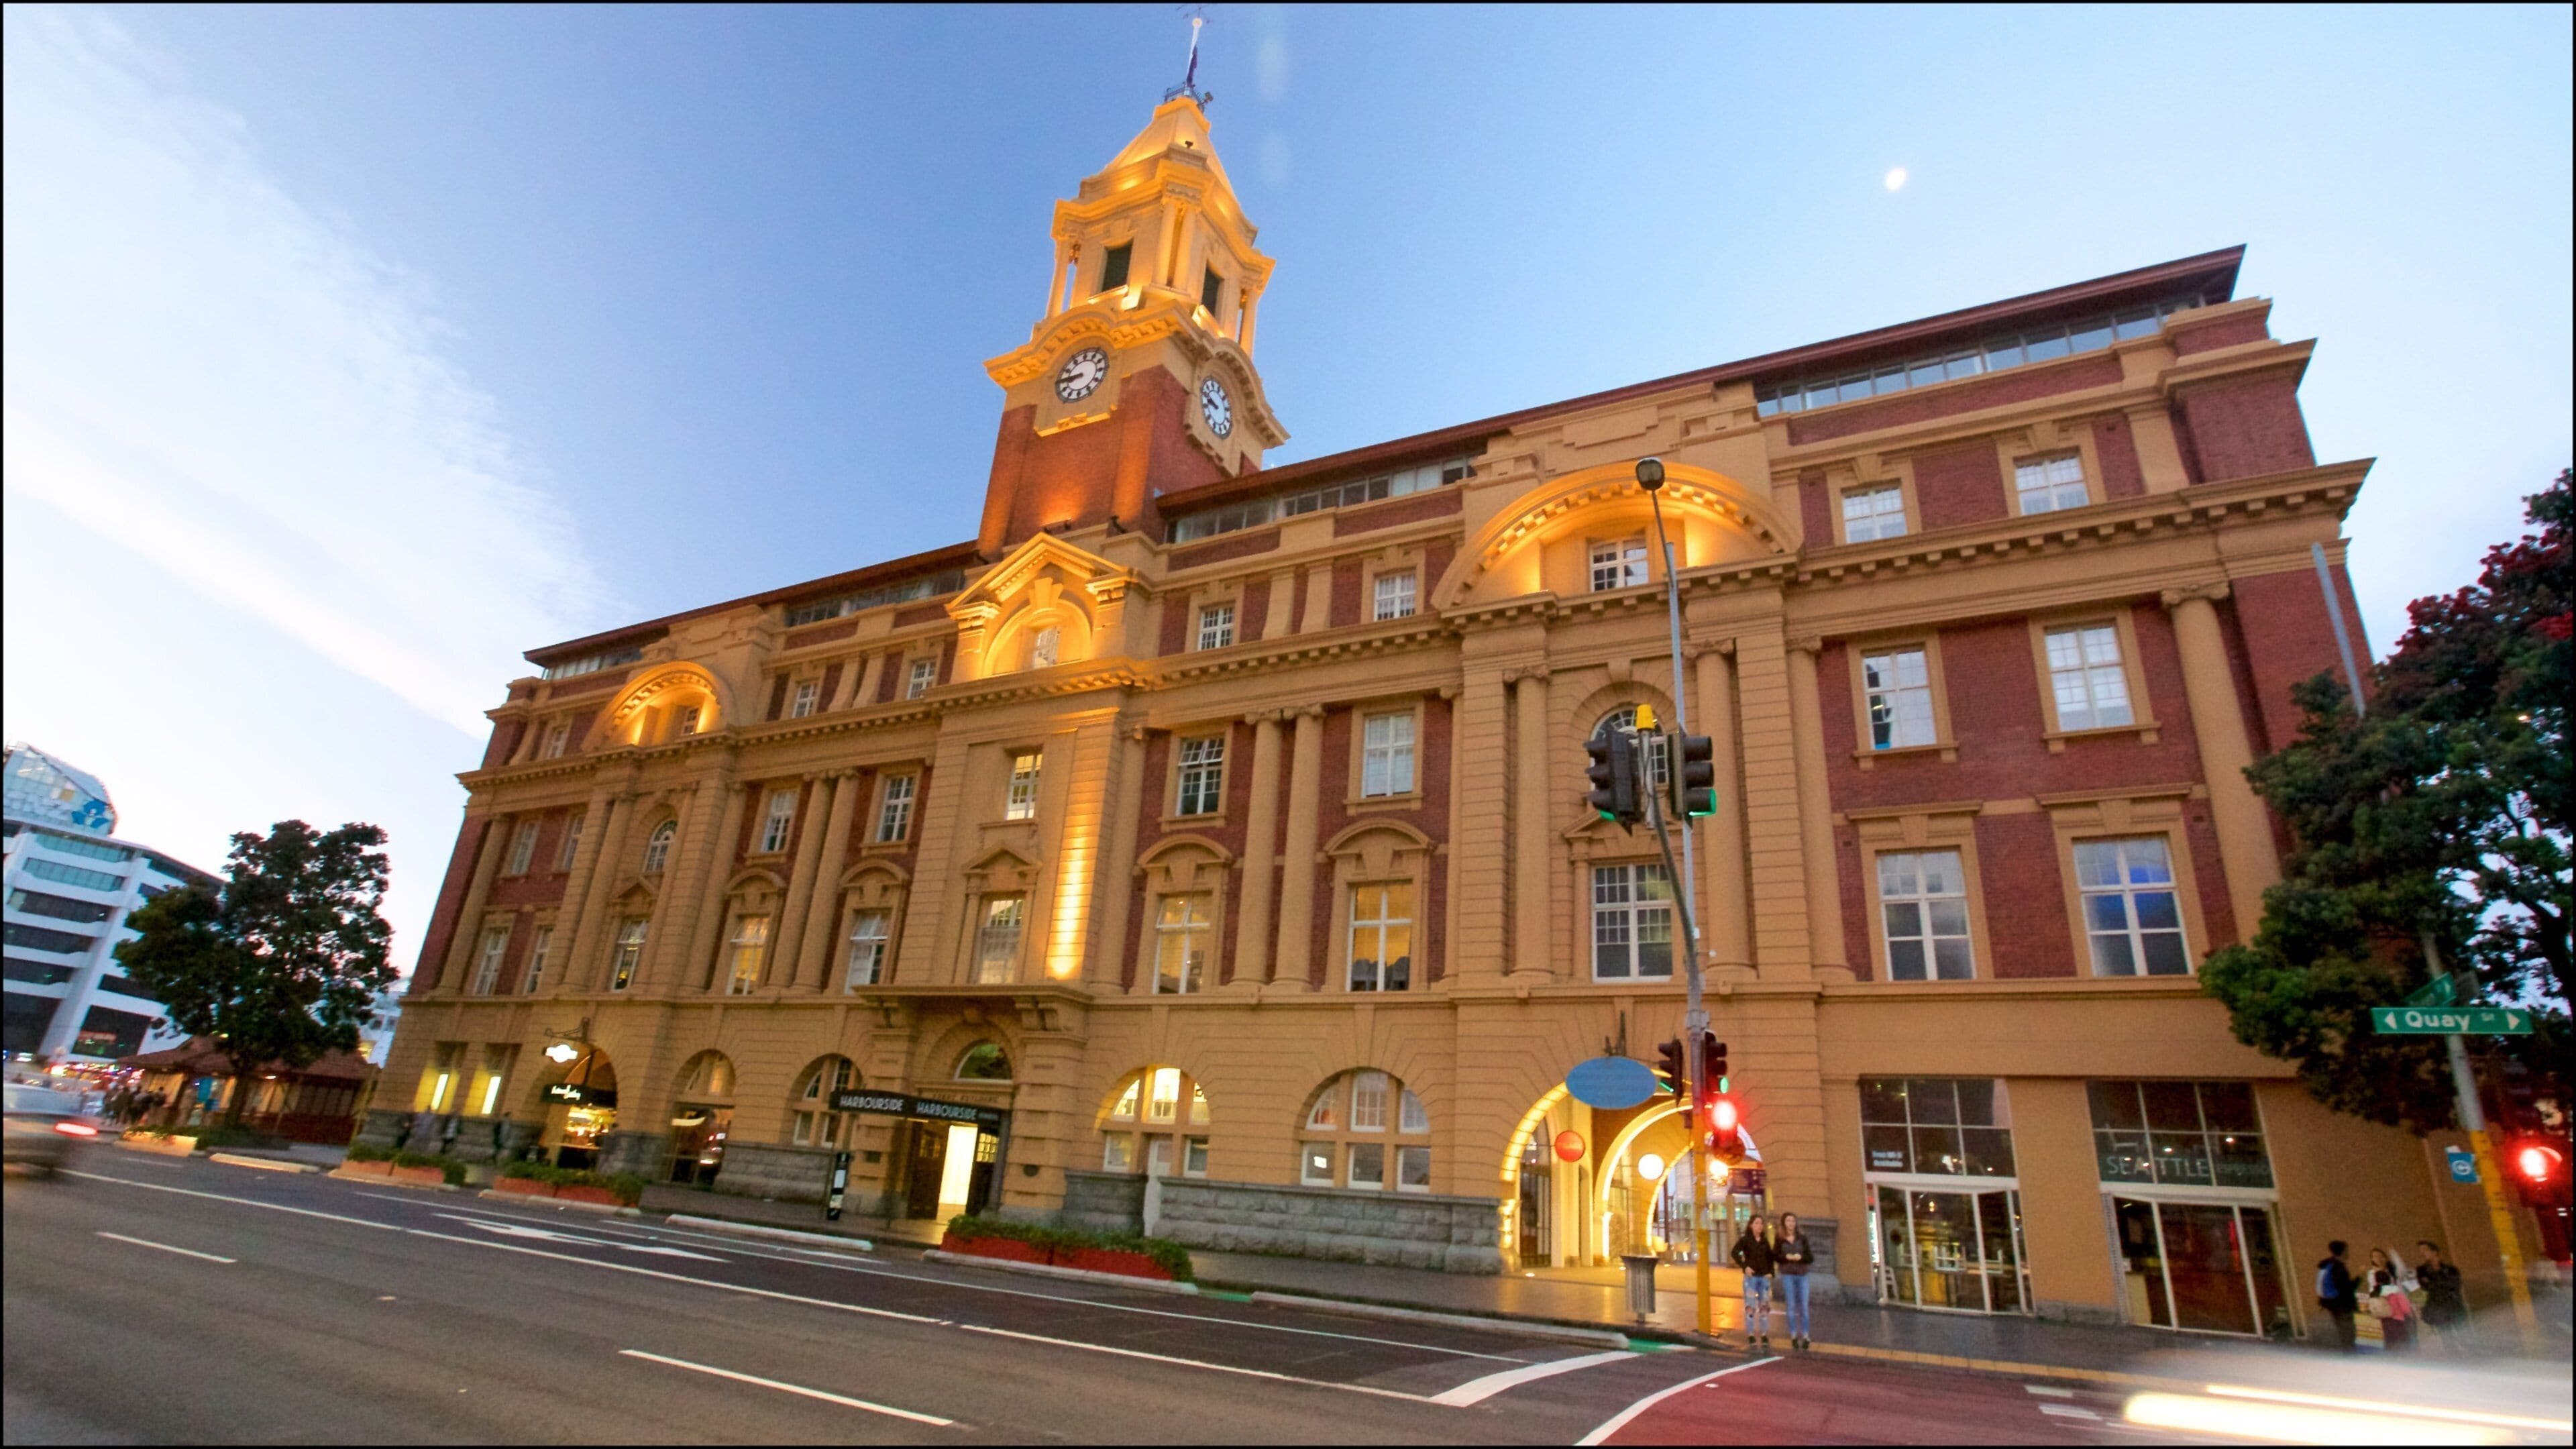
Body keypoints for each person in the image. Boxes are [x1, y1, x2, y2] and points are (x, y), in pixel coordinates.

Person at [1730, 1214, 1777, 1350]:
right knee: (1750, 1307)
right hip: (1751, 1278)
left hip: (1764, 1278)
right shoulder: (1746, 1240)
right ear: (1751, 1225)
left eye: (1761, 1224)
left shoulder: (1764, 1241)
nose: (1759, 1226)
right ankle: (1750, 1334)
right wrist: (1745, 1267)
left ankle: (1764, 1334)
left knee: (1764, 1307)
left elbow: (1770, 1257)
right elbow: (1735, 1252)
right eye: (1757, 1223)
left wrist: (1771, 1273)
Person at [2414, 1241, 2468, 1350]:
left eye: (2425, 1250)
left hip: (2453, 1305)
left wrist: (2434, 1282)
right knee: (2446, 1338)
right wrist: (2440, 1284)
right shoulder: (2422, 1271)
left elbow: (2455, 1285)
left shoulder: (2450, 1270)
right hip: (2437, 1307)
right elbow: (2426, 1287)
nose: (2423, 1253)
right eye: (2421, 1251)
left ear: (2434, 1252)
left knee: (2463, 1334)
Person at [1774, 1211, 1816, 1350]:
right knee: (1791, 1306)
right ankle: (1793, 1335)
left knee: (1803, 1307)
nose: (1791, 1224)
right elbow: (1776, 1256)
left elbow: (1810, 1257)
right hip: (1788, 1275)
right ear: (1784, 1223)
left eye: (1793, 1221)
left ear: (1796, 1223)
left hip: (1802, 1275)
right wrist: (1787, 1258)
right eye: (1788, 1221)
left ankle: (1805, 1336)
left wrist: (1800, 1258)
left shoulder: (1802, 1238)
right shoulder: (1780, 1238)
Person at [2365, 1246, 2418, 1351]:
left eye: (2381, 1256)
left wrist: (2393, 1252)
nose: (2378, 1259)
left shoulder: (2393, 1271)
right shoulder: (2372, 1274)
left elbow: (2402, 1271)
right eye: (2375, 1257)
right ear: (2372, 1259)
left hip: (2399, 1309)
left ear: (2385, 1258)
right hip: (2387, 1311)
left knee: (2408, 1335)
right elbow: (2375, 1292)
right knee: (2394, 1338)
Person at [2316, 1240, 2359, 1351]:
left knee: (2342, 1330)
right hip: (2342, 1305)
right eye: (2347, 1250)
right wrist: (2359, 1278)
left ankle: (2348, 1353)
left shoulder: (2327, 1265)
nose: (2348, 1253)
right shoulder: (2339, 1268)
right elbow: (2346, 1289)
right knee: (2348, 1332)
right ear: (2343, 1252)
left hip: (2331, 1304)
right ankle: (2350, 1356)